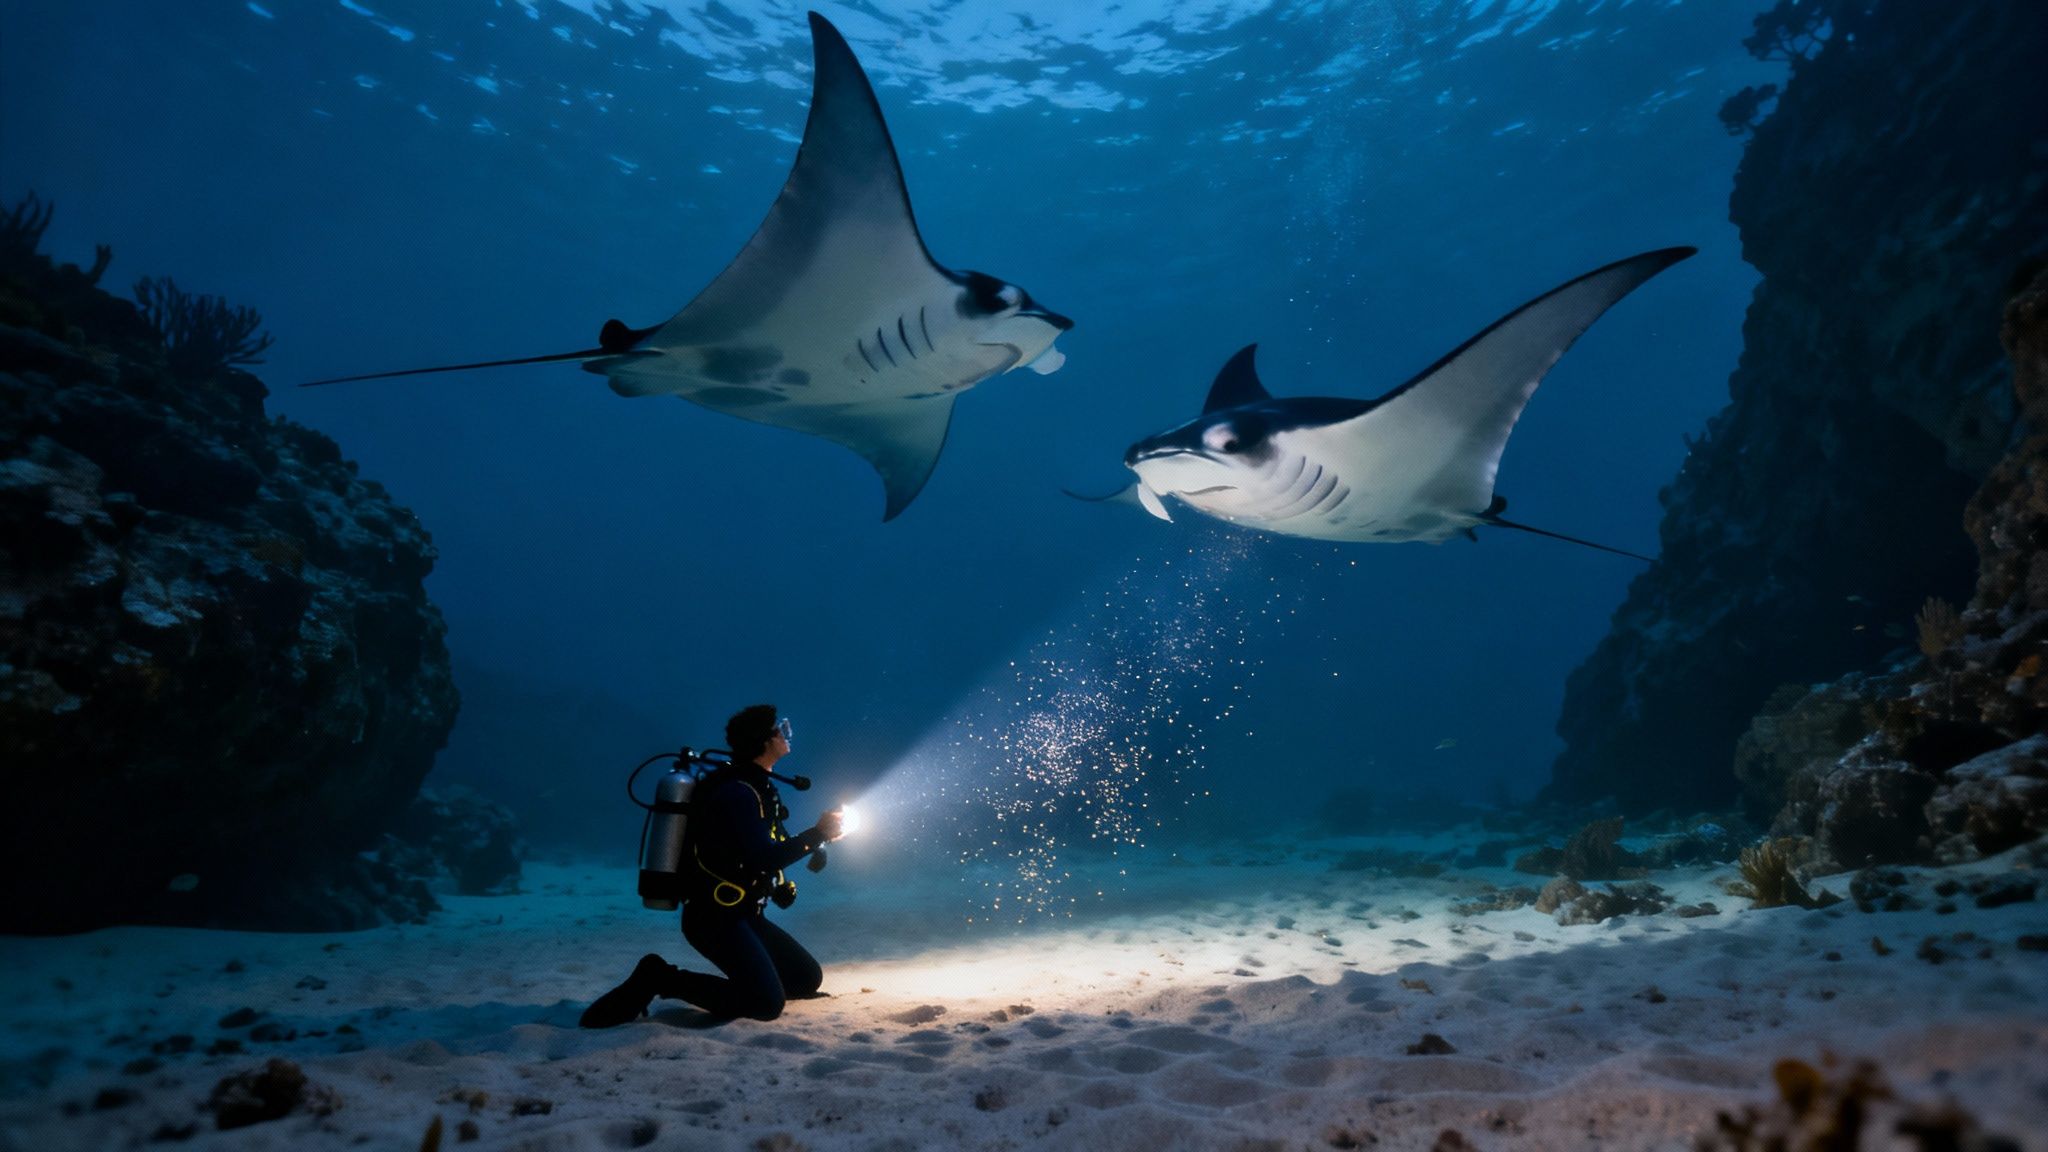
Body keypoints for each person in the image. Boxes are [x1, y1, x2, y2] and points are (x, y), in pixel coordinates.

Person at [581, 704, 843, 1026]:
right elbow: (763, 857)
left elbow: (765, 847)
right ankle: (659, 977)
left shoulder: (758, 786)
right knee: (765, 1004)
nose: (787, 734)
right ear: (764, 740)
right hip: (714, 918)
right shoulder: (739, 792)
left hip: (745, 914)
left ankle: (753, 979)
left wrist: (813, 847)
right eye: (780, 729)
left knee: (805, 979)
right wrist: (817, 834)